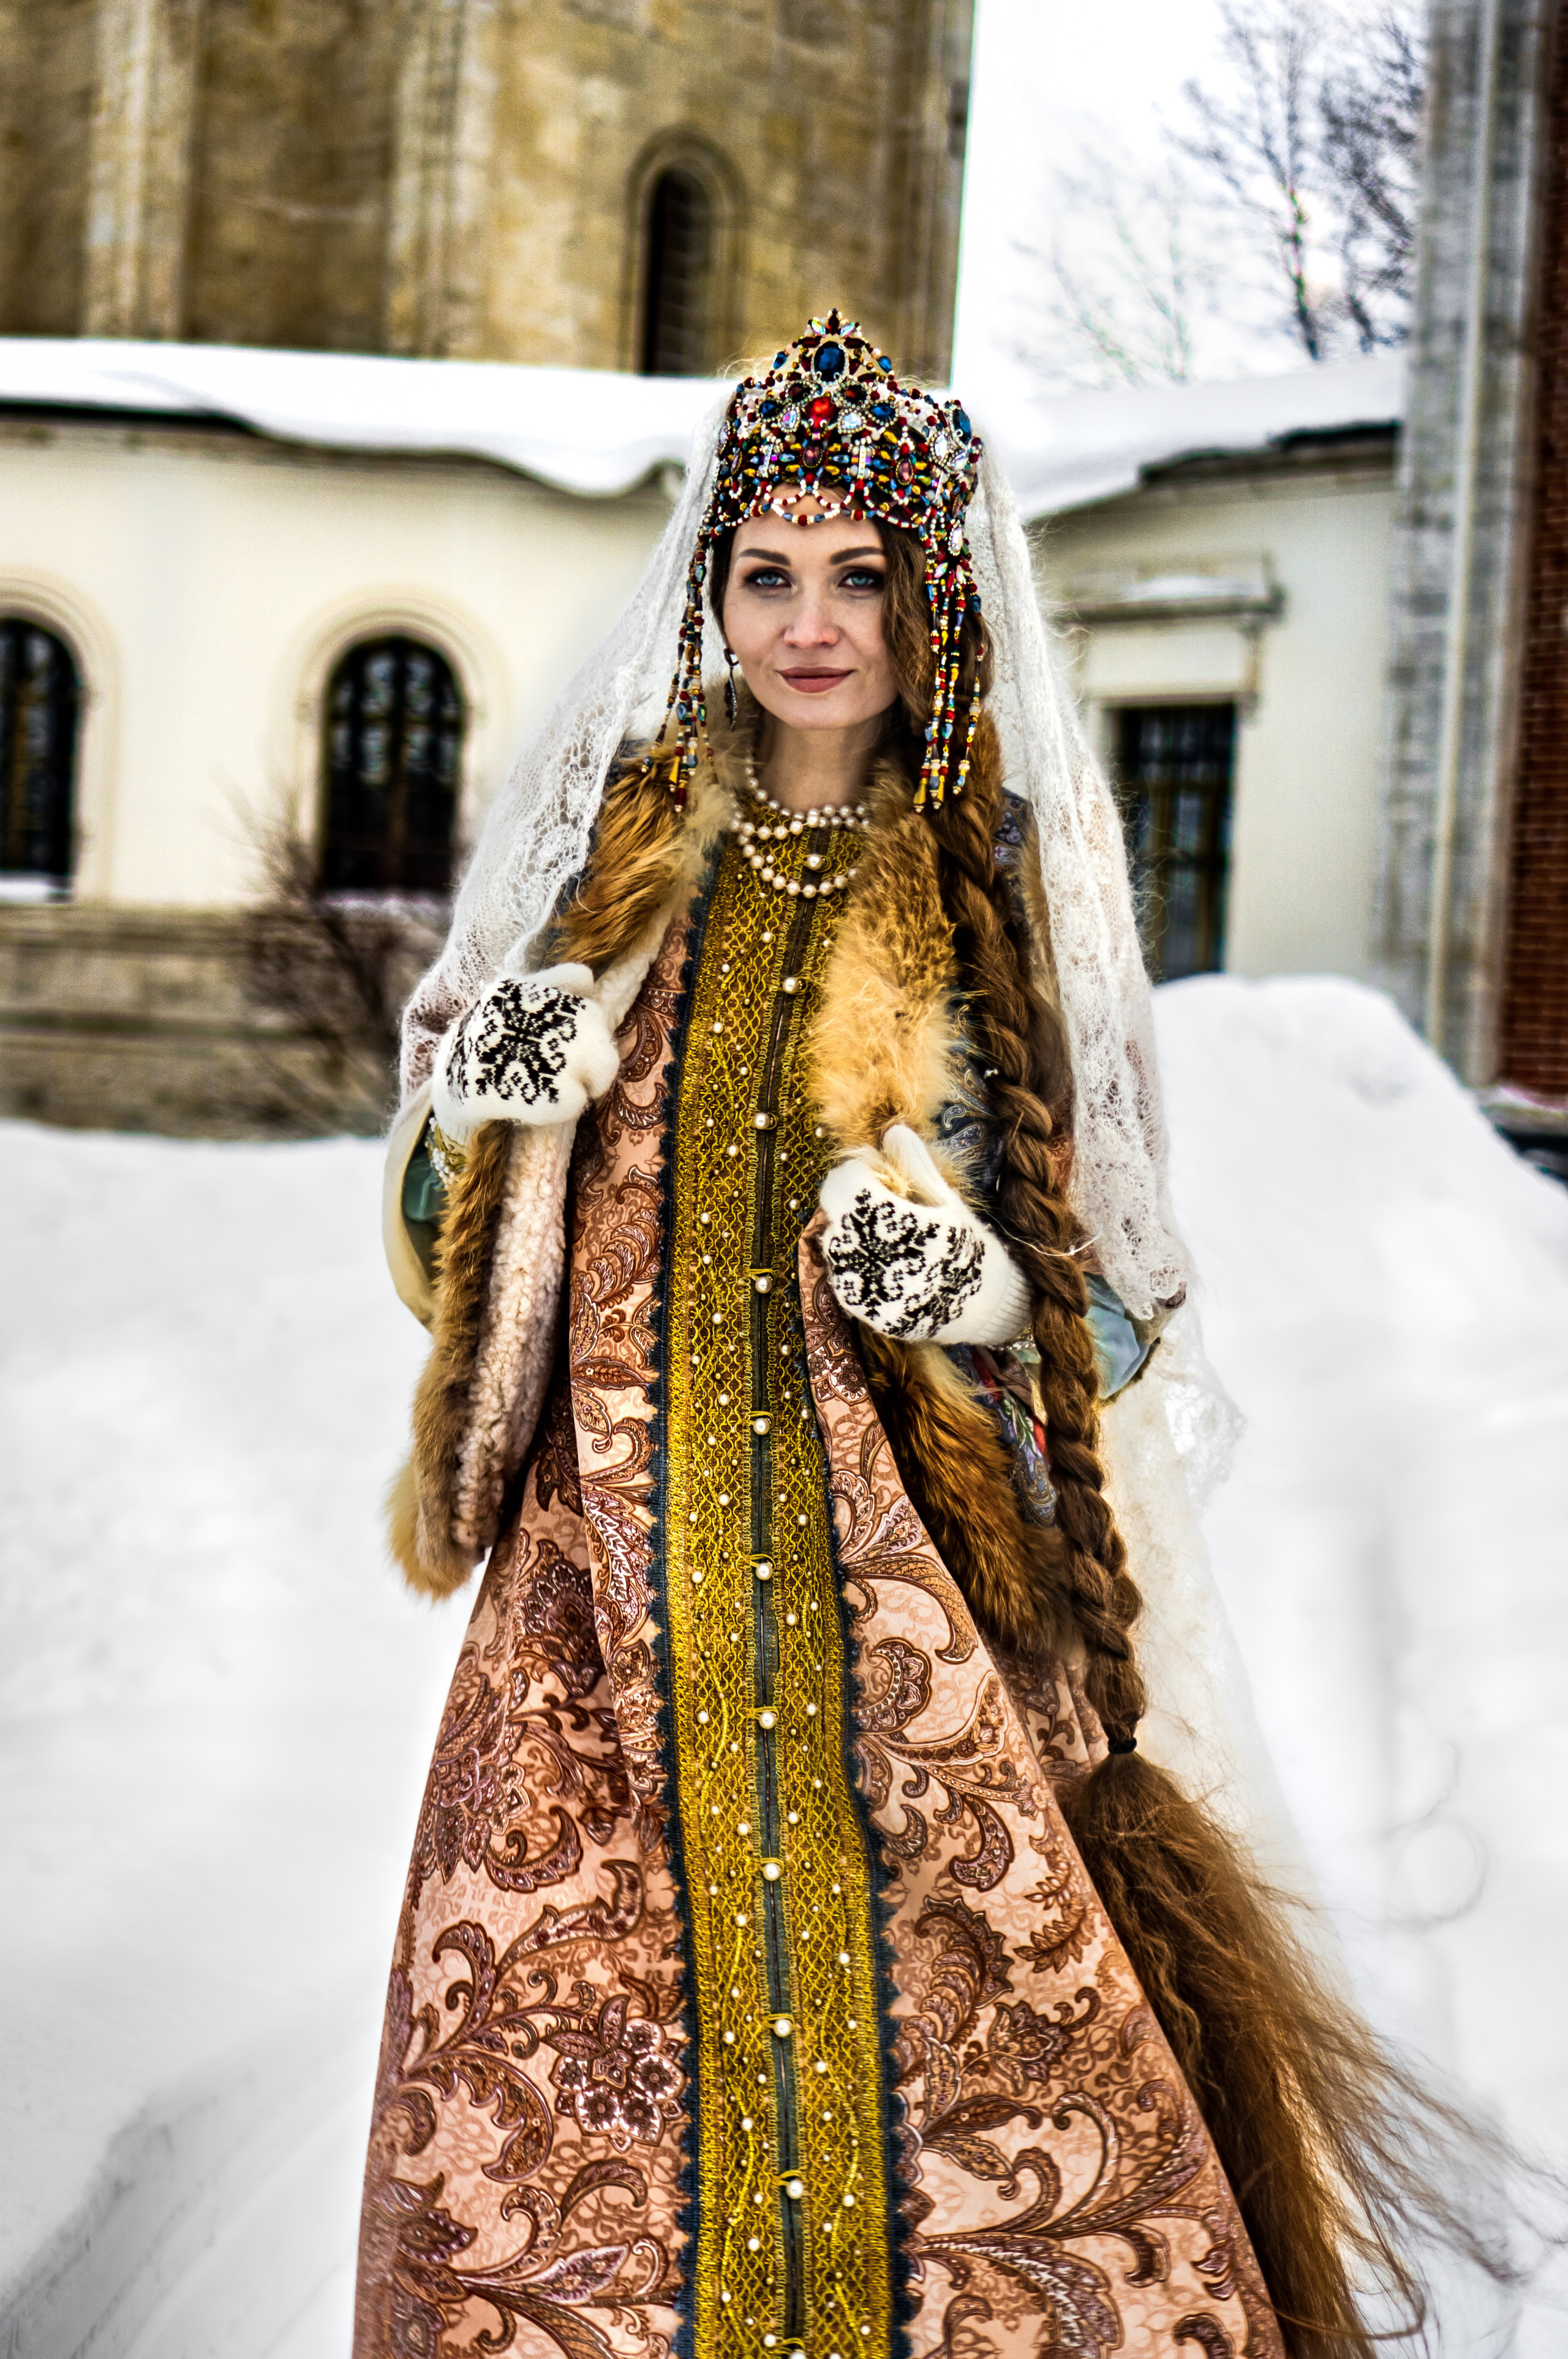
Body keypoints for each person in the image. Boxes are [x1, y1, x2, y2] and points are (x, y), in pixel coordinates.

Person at [353, 318, 1504, 2359]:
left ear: (934, 595)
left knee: (957, 2134)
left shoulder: (988, 897)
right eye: (769, 571)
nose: (812, 624)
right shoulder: (617, 866)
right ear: (712, 589)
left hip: (902, 1630)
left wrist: (968, 1287)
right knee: (573, 2143)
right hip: (595, 1622)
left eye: (862, 574)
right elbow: (456, 1265)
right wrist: (486, 1104)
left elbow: (1114, 1308)